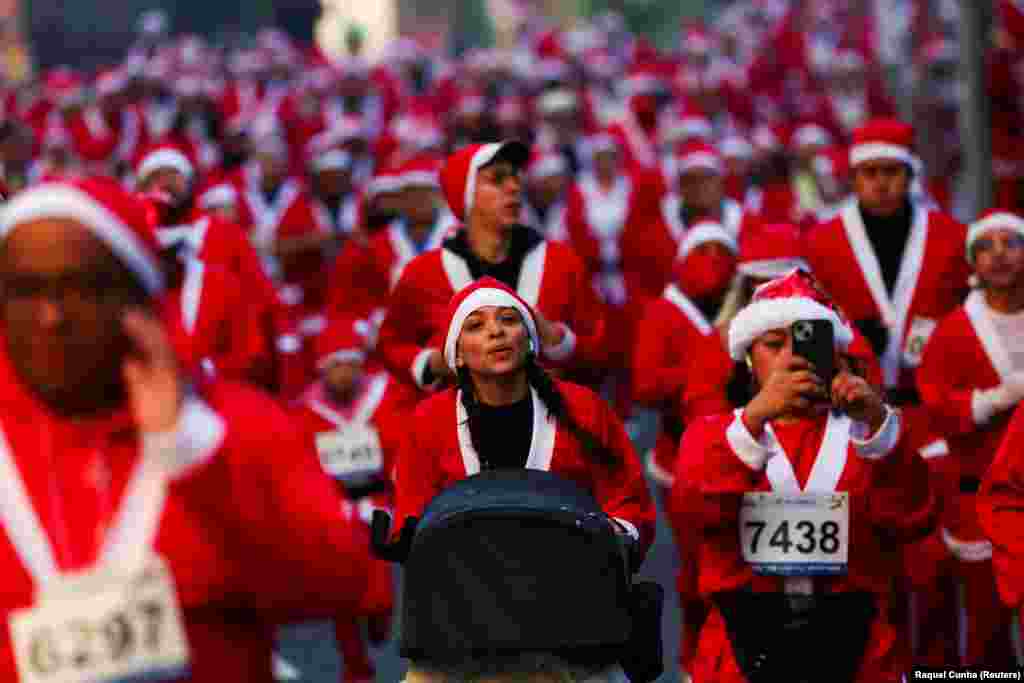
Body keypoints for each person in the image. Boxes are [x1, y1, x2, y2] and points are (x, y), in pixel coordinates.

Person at [0, 178, 385, 681]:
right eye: (23, 290)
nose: (50, 316)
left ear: (140, 294)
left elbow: (349, 581)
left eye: (80, 287)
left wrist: (193, 451)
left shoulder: (235, 424)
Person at [674, 268, 935, 683]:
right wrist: (758, 416)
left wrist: (879, 428)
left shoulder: (867, 431)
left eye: (806, 345)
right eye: (773, 345)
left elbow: (915, 517)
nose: (790, 358)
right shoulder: (715, 433)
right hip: (742, 645)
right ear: (748, 358)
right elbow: (696, 517)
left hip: (857, 643)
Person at [391, 277, 656, 557]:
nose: (496, 331)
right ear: (456, 356)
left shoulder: (584, 407)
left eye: (508, 319)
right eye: (475, 325)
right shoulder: (428, 421)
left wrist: (614, 533)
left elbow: (627, 498)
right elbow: (413, 515)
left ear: (529, 339)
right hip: (467, 587)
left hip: (572, 577)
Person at [375, 141, 608, 394]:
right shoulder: (425, 272)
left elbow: (600, 348)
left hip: (549, 424)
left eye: (516, 177)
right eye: (497, 179)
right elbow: (392, 344)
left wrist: (558, 340)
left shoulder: (561, 261)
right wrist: (433, 363)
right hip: (462, 426)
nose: (514, 187)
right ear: (464, 193)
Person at [913, 210, 1024, 666]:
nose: (999, 254)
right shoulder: (953, 331)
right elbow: (935, 402)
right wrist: (996, 399)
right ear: (972, 263)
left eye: (1010, 242)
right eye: (986, 246)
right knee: (987, 626)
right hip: (981, 498)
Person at [804, 118, 970, 402]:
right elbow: (803, 324)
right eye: (870, 172)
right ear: (854, 178)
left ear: (909, 175)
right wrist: (845, 339)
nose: (881, 183)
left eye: (891, 171)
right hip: (847, 406)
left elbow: (971, 312)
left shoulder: (952, 236)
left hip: (935, 403)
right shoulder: (819, 241)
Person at [292, 319, 417, 683]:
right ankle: (355, 668)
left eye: (349, 364)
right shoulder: (305, 412)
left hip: (376, 502)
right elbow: (300, 467)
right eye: (334, 366)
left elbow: (401, 452)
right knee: (342, 594)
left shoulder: (384, 398)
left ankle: (378, 619)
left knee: (378, 595)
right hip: (333, 509)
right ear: (323, 371)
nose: (343, 374)